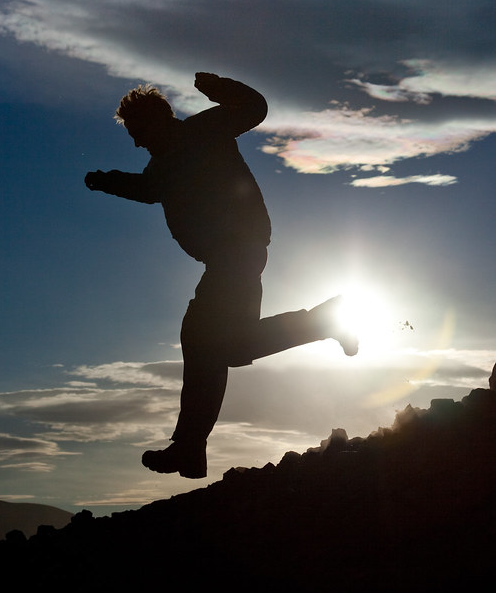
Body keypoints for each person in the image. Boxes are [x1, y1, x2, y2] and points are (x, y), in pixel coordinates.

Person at [85, 72, 357, 479]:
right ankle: (191, 449)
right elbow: (147, 189)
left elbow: (254, 109)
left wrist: (217, 88)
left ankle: (190, 447)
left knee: (203, 337)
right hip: (227, 258)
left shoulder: (205, 129)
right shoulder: (161, 164)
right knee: (225, 347)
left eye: (139, 132)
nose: (137, 142)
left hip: (239, 251)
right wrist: (107, 182)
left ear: (158, 120)